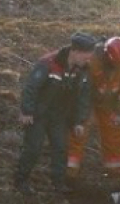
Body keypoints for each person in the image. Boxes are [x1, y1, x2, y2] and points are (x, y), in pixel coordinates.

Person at [14, 32, 95, 195]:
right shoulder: (48, 63)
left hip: (59, 116)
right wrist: (27, 111)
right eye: (86, 57)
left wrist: (79, 121)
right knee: (33, 148)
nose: (89, 61)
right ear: (75, 52)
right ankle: (21, 180)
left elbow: (83, 97)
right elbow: (31, 88)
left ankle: (58, 183)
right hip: (38, 115)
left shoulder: (83, 71)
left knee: (61, 148)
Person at [67, 36, 120, 184]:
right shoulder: (92, 60)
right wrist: (80, 115)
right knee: (78, 132)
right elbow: (80, 88)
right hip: (87, 100)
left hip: (109, 101)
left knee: (115, 131)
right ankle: (68, 173)